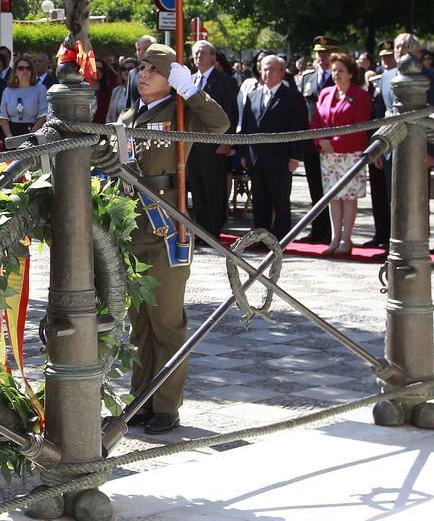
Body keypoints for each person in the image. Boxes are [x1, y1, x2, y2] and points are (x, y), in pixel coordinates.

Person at [119, 43, 230, 434]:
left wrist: (192, 90)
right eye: (142, 67)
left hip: (166, 229)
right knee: (140, 326)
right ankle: (140, 402)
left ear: (171, 79)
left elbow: (219, 124)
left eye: (153, 69)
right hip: (132, 230)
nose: (143, 74)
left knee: (167, 322)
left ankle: (167, 406)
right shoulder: (129, 115)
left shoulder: (181, 112)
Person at [366, 32, 434, 248]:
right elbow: (384, 114)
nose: (401, 50)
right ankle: (393, 240)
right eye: (398, 47)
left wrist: (432, 152)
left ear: (416, 52)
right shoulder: (384, 77)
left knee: (416, 197)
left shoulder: (430, 76)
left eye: (406, 47)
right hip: (392, 148)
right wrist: (380, 149)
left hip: (418, 148)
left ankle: (417, 242)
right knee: (392, 198)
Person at [239, 55, 307, 239]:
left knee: (280, 201)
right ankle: (261, 237)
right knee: (260, 201)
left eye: (272, 69)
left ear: (281, 72)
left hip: (280, 159)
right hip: (256, 158)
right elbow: (246, 126)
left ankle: (281, 238)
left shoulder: (292, 97)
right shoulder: (253, 95)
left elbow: (299, 129)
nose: (267, 73)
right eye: (264, 69)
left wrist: (295, 156)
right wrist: (244, 153)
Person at [310, 52, 372, 255]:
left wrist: (335, 143)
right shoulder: (326, 93)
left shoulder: (360, 96)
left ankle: (347, 239)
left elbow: (360, 127)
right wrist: (321, 141)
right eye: (334, 70)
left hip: (351, 154)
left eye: (341, 71)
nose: (336, 74)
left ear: (351, 73)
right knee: (333, 197)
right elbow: (317, 121)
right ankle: (335, 238)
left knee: (348, 197)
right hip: (328, 155)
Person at [186, 41, 240, 238]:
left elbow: (231, 113)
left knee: (214, 189)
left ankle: (214, 231)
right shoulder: (189, 80)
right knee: (197, 189)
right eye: (195, 54)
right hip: (192, 145)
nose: (198, 57)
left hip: (215, 145)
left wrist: (227, 141)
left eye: (202, 53)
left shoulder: (225, 81)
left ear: (213, 57)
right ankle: (201, 231)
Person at [297, 38, 336, 244]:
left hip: (332, 142)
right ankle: (318, 229)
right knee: (314, 188)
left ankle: (333, 232)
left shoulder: (340, 78)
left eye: (327, 53)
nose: (322, 57)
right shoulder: (307, 78)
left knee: (334, 189)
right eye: (319, 53)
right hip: (311, 143)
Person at [0, 55, 48, 138]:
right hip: (11, 133)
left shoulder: (41, 89)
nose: (25, 71)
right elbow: (3, 116)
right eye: (21, 68)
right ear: (15, 71)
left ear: (32, 71)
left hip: (33, 132)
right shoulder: (7, 91)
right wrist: (9, 136)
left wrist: (29, 136)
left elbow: (43, 116)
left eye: (28, 68)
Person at [125, 34, 155, 110]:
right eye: (138, 50)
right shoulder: (132, 73)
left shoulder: (161, 72)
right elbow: (129, 102)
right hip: (135, 118)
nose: (141, 52)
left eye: (145, 49)